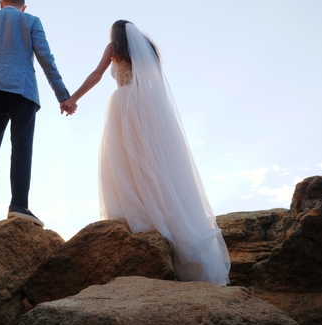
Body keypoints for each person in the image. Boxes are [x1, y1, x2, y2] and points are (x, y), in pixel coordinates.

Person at [62, 20, 230, 285]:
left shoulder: (114, 48)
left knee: (124, 159)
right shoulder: (148, 49)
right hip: (149, 106)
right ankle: (165, 214)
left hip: (125, 104)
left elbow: (96, 74)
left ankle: (137, 212)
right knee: (154, 161)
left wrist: (73, 98)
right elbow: (155, 80)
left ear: (115, 35)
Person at [0, 0, 76, 228]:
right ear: (24, 7)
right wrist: (62, 95)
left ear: (0, 3)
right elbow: (46, 59)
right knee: (22, 147)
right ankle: (18, 205)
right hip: (23, 89)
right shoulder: (31, 21)